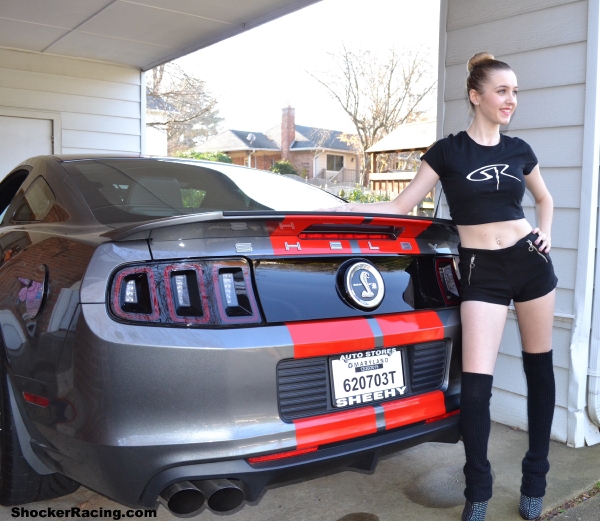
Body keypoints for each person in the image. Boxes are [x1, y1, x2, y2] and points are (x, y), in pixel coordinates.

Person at [325, 52, 557, 521]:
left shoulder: (519, 150)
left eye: (515, 92)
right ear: (476, 96)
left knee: (540, 373)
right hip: (480, 272)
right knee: (475, 387)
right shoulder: (448, 151)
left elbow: (543, 197)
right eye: (502, 91)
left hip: (530, 264)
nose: (511, 100)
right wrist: (338, 217)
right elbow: (403, 204)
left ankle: (536, 479)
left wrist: (545, 228)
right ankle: (478, 491)